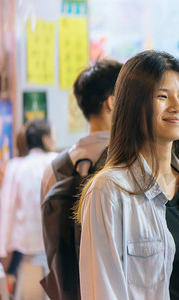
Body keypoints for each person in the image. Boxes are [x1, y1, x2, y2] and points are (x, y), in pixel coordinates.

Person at [75, 50, 179, 299]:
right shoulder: (109, 190)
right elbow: (101, 290)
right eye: (162, 96)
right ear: (134, 105)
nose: (178, 107)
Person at [40, 59, 122, 299]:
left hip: (70, 290)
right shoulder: (129, 163)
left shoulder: (54, 168)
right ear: (112, 102)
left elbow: (49, 241)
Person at [0, 120, 56, 290]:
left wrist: (1, 243)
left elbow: (6, 209)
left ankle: (10, 280)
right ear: (45, 139)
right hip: (52, 242)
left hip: (23, 243)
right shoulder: (56, 162)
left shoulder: (16, 166)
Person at [0, 125, 29, 291]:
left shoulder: (14, 166)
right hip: (23, 228)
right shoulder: (21, 166)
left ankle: (4, 277)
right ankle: (9, 275)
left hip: (15, 227)